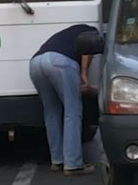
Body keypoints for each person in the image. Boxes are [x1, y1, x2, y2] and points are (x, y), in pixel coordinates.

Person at [29, 24, 98, 176]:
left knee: (51, 113)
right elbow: (87, 50)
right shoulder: (93, 32)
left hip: (35, 63)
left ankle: (57, 160)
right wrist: (84, 74)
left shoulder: (66, 35)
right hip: (60, 63)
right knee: (72, 111)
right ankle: (73, 164)